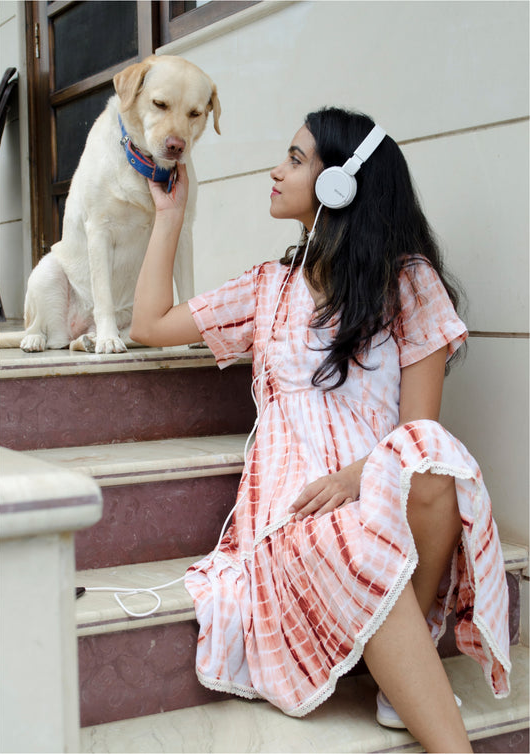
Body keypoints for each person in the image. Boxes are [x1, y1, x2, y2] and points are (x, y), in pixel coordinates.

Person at [130, 107, 510, 753]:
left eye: (295, 160)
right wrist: (169, 215)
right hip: (293, 490)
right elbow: (149, 324)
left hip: (375, 475)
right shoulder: (266, 287)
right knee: (344, 536)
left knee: (433, 468)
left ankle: (402, 670)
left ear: (341, 183)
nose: (275, 172)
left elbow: (419, 428)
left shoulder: (407, 282)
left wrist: (356, 476)